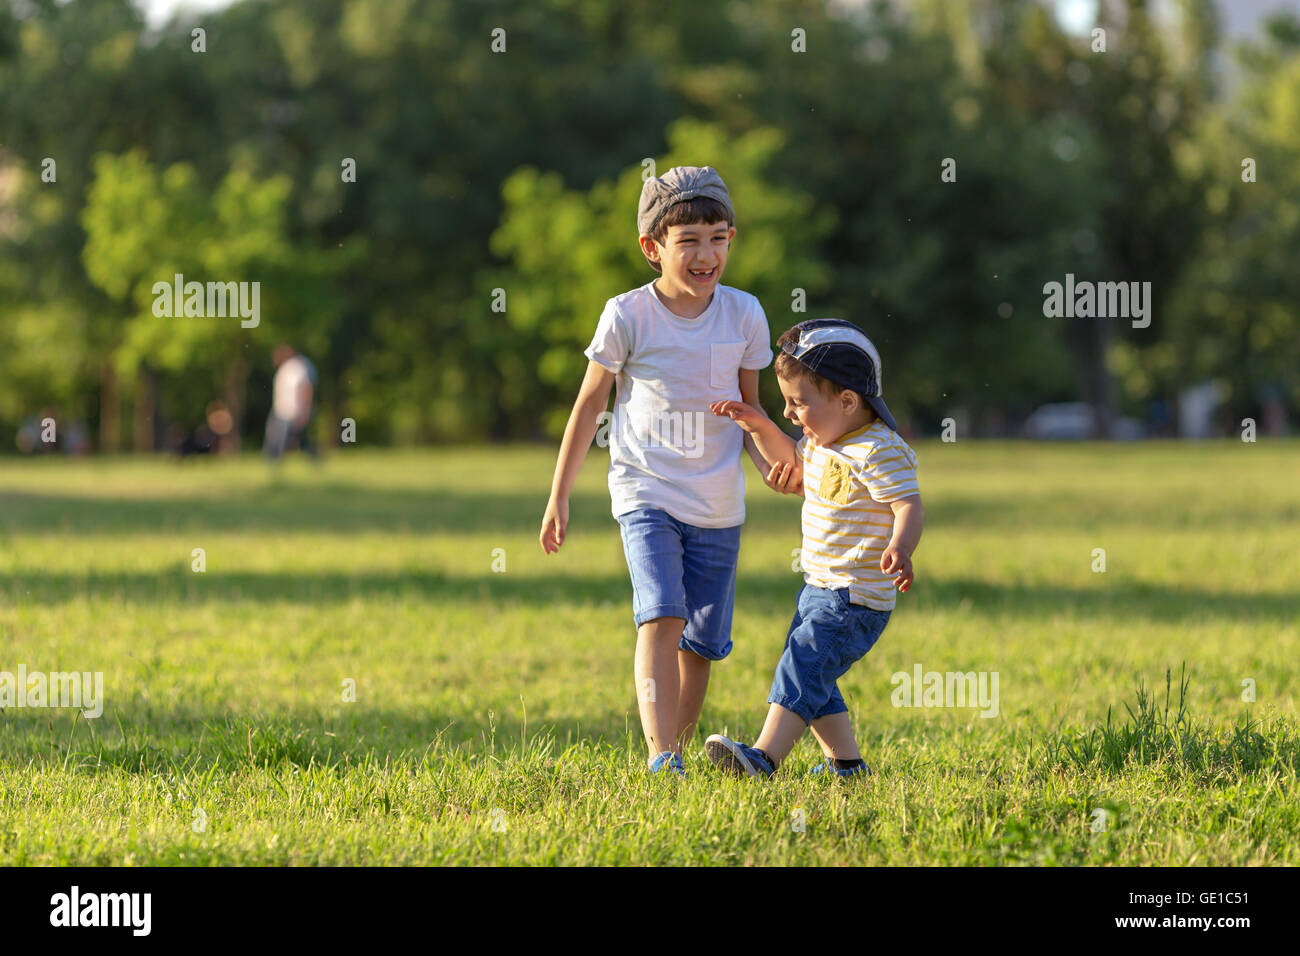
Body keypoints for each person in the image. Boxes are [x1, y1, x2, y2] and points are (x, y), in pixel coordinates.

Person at [539, 166, 795, 778]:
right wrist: (559, 496)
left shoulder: (744, 314)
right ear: (654, 249)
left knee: (701, 645)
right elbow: (589, 404)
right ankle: (660, 757)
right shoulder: (628, 315)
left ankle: (676, 754)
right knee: (661, 613)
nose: (706, 254)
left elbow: (749, 410)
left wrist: (769, 463)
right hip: (645, 489)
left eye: (718, 237)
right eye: (689, 241)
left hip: (718, 502)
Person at [703, 318, 925, 779]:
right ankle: (847, 766)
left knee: (802, 665)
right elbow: (787, 457)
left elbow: (908, 505)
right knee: (814, 676)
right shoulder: (821, 443)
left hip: (855, 596)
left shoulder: (878, 449)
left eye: (798, 403)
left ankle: (763, 759)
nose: (789, 414)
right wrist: (758, 424)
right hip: (819, 588)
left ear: (847, 400)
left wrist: (901, 548)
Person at [263, 345, 318, 461]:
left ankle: (273, 461)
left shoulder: (296, 367)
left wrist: (304, 411)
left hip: (291, 411)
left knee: (279, 438)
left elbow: (305, 387)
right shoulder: (291, 367)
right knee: (301, 439)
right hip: (284, 410)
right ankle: (315, 459)